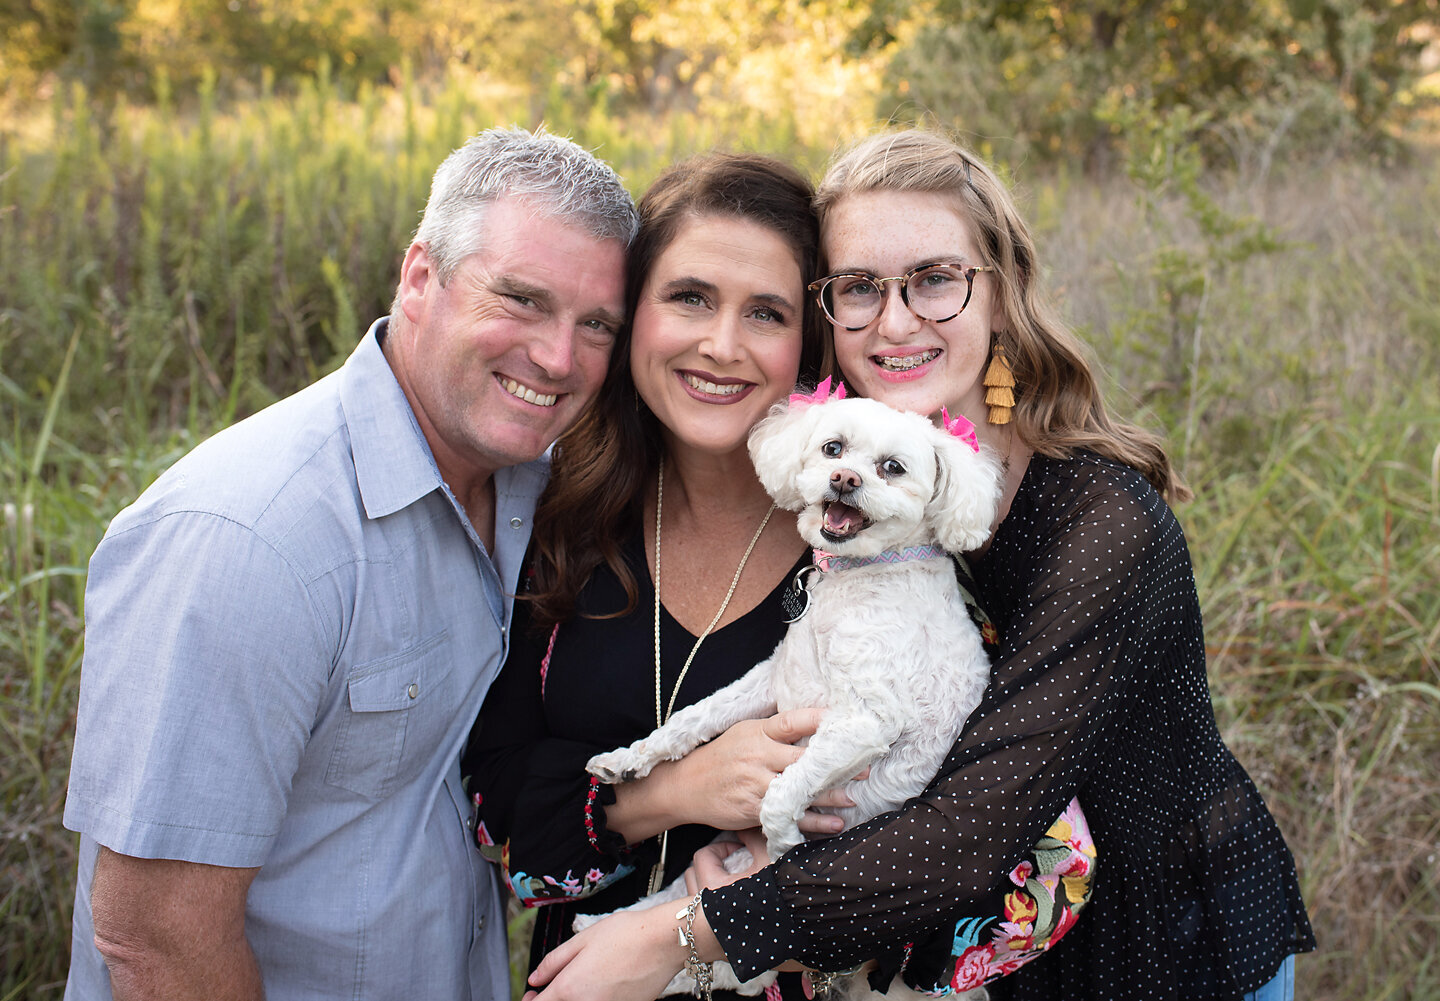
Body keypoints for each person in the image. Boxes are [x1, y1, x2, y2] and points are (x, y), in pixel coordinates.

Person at [523, 130, 1315, 1001]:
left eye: (934, 279)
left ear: (1000, 292)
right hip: (980, 949)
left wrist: (682, 935)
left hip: (1153, 943)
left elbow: (970, 827)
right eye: (860, 288)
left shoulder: (1102, 527)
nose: (895, 322)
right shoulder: (863, 499)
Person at [468, 150, 1094, 1001]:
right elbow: (493, 818)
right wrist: (668, 791)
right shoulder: (557, 522)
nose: (721, 346)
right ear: (630, 314)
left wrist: (705, 934)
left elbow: (1038, 878)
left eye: (766, 311)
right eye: (689, 297)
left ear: (815, 333)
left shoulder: (893, 546)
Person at [60, 125, 636, 1001]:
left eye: (595, 324)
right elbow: (155, 937)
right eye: (520, 299)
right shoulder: (249, 540)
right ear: (419, 279)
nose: (559, 358)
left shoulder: (532, 486)